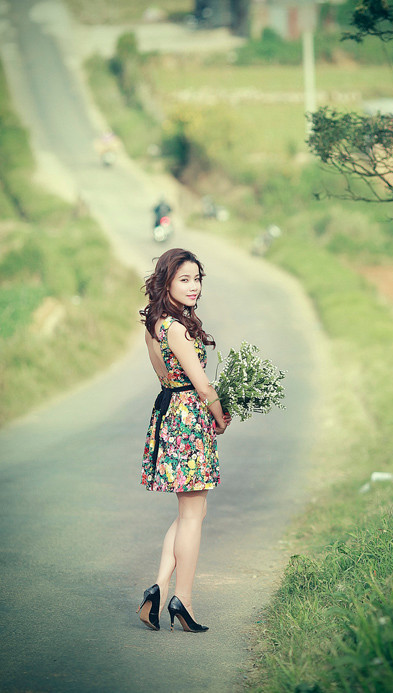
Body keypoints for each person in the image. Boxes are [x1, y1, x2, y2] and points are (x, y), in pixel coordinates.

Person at [137, 248, 230, 633]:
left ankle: (158, 589)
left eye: (197, 279)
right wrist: (220, 416)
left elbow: (167, 377)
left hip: (170, 415)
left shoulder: (155, 324)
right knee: (193, 514)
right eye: (185, 279)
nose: (194, 287)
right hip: (189, 420)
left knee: (193, 511)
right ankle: (184, 601)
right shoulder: (176, 328)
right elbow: (202, 385)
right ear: (167, 282)